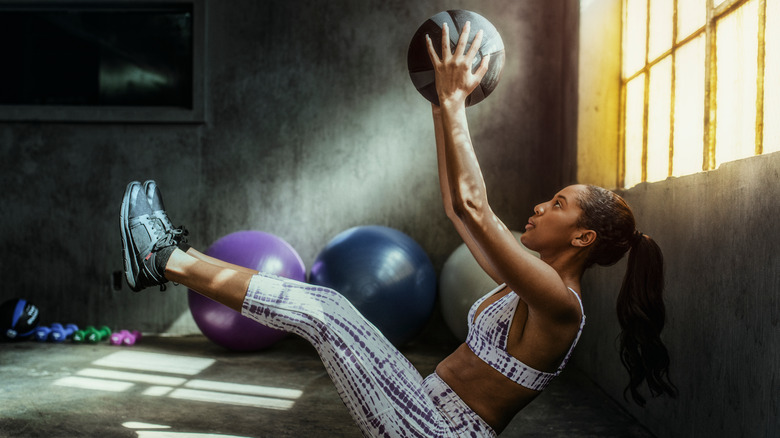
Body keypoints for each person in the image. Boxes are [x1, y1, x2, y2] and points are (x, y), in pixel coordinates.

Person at [119, 22, 676, 438]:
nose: (539, 206)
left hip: (441, 431)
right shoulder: (527, 278)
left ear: (584, 238)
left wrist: (458, 102)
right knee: (329, 311)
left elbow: (478, 208)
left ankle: (163, 258)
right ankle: (168, 256)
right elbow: (460, 210)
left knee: (330, 313)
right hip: (422, 403)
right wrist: (440, 107)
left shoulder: (561, 305)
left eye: (558, 204)